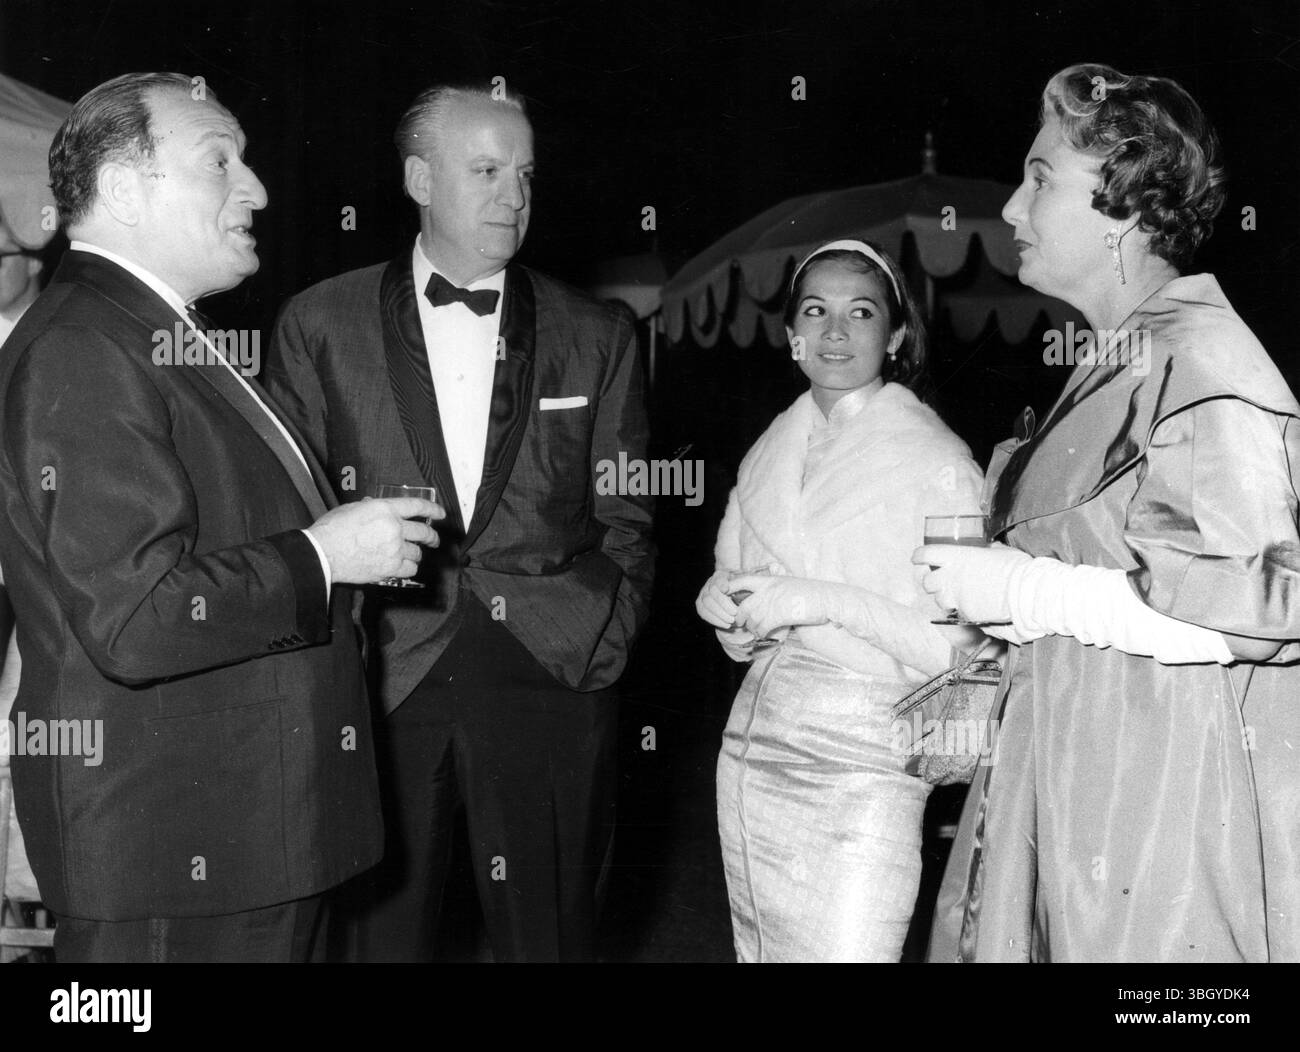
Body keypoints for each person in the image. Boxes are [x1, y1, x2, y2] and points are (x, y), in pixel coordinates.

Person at [0, 72, 442, 963]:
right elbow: (134, 618)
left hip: (236, 836)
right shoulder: (86, 345)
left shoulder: (149, 330)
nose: (258, 188)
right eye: (220, 161)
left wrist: (334, 547)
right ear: (125, 190)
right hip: (178, 849)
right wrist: (322, 557)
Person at [916, 63, 1300, 962]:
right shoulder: (1125, 355)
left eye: (1041, 177)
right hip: (1080, 774)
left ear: (1125, 207)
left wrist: (1025, 587)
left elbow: (1252, 610)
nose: (1012, 208)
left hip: (1158, 802)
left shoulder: (1203, 361)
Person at [264, 82, 655, 963]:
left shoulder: (598, 332)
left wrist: (608, 626)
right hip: (381, 674)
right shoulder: (319, 323)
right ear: (417, 179)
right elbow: (293, 518)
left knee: (549, 938)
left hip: (551, 673)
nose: (513, 195)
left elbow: (626, 509)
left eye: (524, 173)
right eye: (485, 170)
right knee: (375, 940)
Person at [694, 239, 985, 962]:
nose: (834, 332)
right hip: (756, 754)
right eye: (815, 312)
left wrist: (817, 601)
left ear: (894, 336)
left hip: (870, 762)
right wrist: (726, 612)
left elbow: (961, 652)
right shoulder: (768, 451)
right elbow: (743, 590)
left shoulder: (937, 459)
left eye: (860, 313)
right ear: (791, 336)